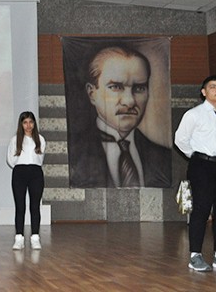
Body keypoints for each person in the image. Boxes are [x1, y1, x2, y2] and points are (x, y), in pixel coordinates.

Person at [69, 45, 171, 188]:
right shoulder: (73, 153)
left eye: (139, 88)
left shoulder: (163, 158)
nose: (129, 101)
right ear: (92, 94)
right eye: (116, 87)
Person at [174, 75, 216, 272]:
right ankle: (195, 256)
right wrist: (197, 156)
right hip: (202, 165)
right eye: (212, 87)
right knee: (202, 209)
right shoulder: (194, 115)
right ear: (204, 92)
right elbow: (180, 140)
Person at [6, 111, 46, 250]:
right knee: (20, 206)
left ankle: (35, 237)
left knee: (35, 206)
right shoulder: (15, 140)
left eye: (31, 122)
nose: (28, 125)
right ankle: (19, 237)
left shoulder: (40, 139)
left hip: (35, 173)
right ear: (21, 124)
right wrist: (20, 157)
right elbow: (11, 160)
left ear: (34, 124)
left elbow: (40, 159)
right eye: (25, 122)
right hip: (19, 173)